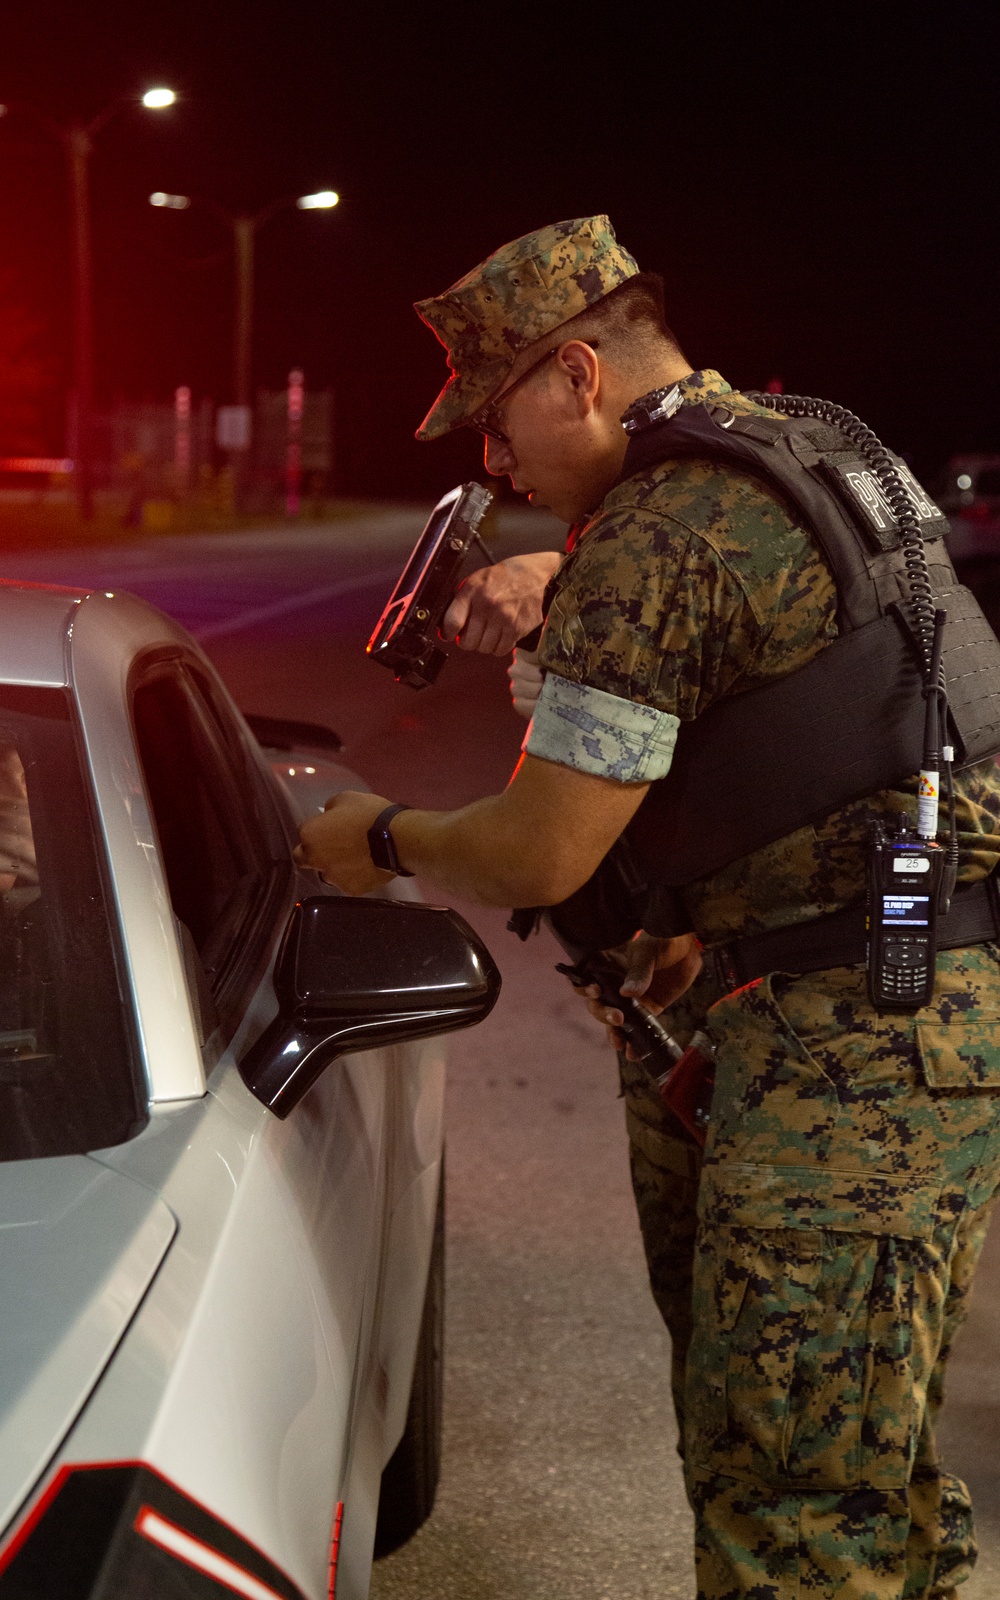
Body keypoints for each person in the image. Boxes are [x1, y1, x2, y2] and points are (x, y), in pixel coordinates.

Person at [296, 216, 1000, 1599]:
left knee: (792, 1507)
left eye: (497, 430)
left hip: (849, 1044)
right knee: (861, 1461)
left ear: (576, 375)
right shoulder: (815, 446)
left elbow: (537, 854)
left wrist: (377, 837)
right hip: (906, 1000)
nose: (494, 470)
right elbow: (812, 681)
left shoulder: (658, 537)